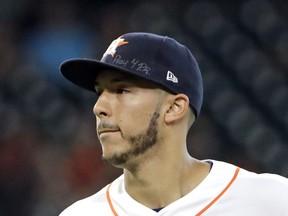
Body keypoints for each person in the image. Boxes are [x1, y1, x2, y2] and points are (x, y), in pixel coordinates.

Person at [59, 32, 288, 215]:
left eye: (122, 90)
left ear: (174, 107)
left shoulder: (270, 200)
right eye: (99, 92)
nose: (99, 107)